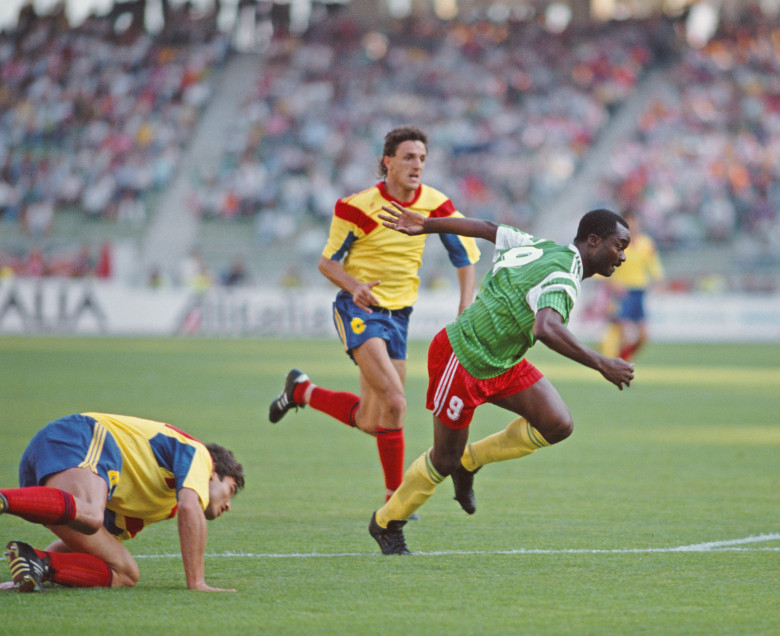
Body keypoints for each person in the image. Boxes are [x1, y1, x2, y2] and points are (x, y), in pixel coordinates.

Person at [365, 204, 635, 555]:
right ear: (595, 241)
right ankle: (386, 522)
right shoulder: (564, 276)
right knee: (444, 460)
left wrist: (429, 224)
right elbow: (546, 328)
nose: (623, 256)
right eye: (620, 246)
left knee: (557, 424)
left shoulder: (538, 246)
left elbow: (488, 227)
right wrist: (602, 363)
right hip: (462, 358)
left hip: (502, 362)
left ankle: (470, 461)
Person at [268, 126, 481, 507]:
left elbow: (465, 258)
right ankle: (395, 503)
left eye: (422, 158)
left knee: (372, 419)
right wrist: (354, 286)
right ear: (388, 162)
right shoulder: (355, 206)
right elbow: (327, 263)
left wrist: (465, 304)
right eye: (409, 157)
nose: (417, 165)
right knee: (397, 403)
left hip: (399, 317)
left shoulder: (436, 205)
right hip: (359, 310)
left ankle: (301, 391)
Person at [0, 413, 244, 592]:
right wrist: (197, 583)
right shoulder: (200, 455)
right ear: (212, 474)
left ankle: (39, 563)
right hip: (79, 435)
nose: (229, 505)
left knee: (125, 572)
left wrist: (40, 564)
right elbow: (190, 507)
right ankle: (5, 498)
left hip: (53, 488)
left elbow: (94, 539)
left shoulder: (163, 506)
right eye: (230, 489)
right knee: (91, 514)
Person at [599, 213, 663, 361]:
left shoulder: (646, 243)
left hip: (639, 291)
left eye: (635, 224)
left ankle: (621, 360)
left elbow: (653, 264)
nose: (633, 227)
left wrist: (658, 280)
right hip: (622, 292)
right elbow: (602, 268)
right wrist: (613, 283)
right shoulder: (615, 244)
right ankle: (616, 363)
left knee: (643, 336)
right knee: (624, 334)